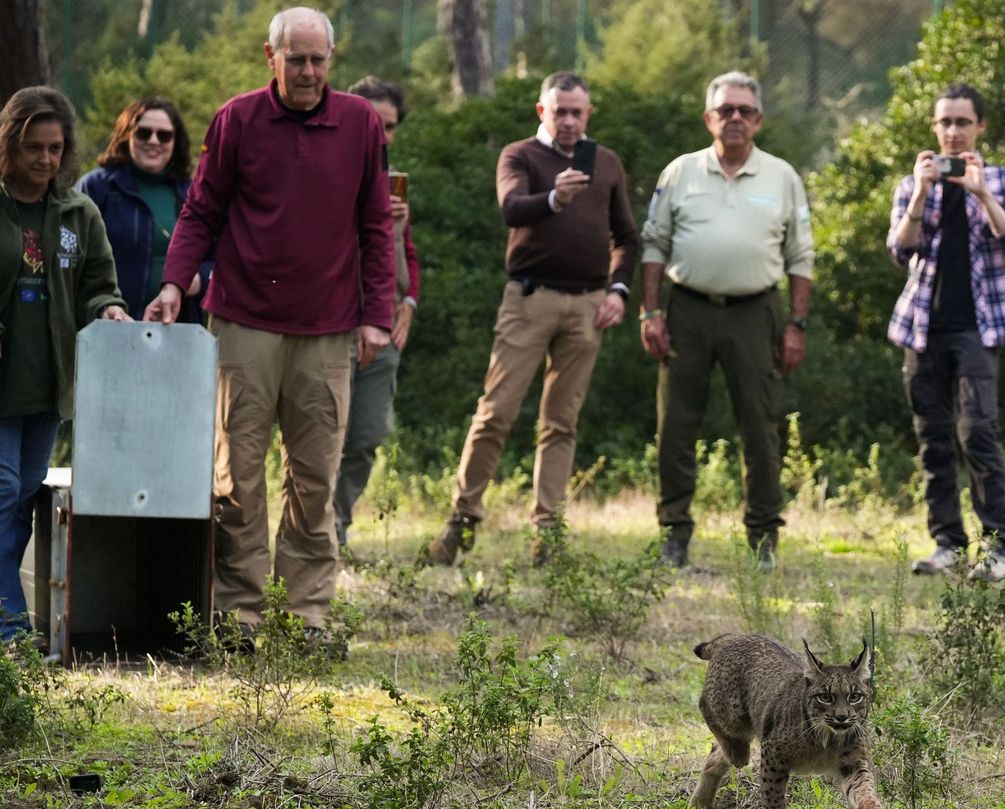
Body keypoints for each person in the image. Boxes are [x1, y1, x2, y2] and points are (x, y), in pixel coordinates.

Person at [145, 6, 394, 643]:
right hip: (244, 319)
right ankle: (238, 614)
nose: (308, 71)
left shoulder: (361, 124)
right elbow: (201, 210)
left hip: (329, 326)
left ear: (330, 61)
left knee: (315, 477)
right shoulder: (237, 119)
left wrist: (377, 317)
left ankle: (307, 614)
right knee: (238, 475)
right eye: (296, 59)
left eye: (318, 60)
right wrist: (175, 283)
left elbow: (376, 228)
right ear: (270, 57)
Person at [428, 71, 638, 566]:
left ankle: (547, 535)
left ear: (589, 114)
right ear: (541, 111)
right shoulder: (520, 155)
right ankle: (462, 521)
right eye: (558, 111)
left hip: (587, 305)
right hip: (529, 299)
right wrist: (554, 198)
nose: (567, 120)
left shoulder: (605, 162)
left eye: (576, 112)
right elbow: (511, 208)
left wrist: (619, 291)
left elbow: (626, 236)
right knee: (496, 412)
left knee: (561, 423)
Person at [638, 72, 813, 572]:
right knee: (676, 424)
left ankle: (763, 538)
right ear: (708, 118)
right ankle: (674, 533)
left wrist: (797, 324)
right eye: (725, 110)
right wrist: (650, 311)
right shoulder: (680, 172)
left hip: (756, 313)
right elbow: (654, 243)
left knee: (761, 425)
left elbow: (801, 255)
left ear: (758, 119)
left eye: (744, 110)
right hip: (687, 308)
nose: (734, 118)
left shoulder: (782, 177)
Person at [1, 87, 131, 641]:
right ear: (10, 145)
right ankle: (9, 627)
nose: (46, 160)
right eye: (34, 147)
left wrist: (111, 308)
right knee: (3, 490)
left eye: (55, 148)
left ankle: (7, 615)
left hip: (48, 382)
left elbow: (99, 284)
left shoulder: (80, 212)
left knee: (23, 498)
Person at [887, 82, 1005, 582]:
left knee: (979, 435)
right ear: (934, 128)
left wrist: (980, 192)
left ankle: (998, 550)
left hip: (978, 329)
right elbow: (899, 250)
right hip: (922, 329)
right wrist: (922, 193)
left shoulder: (1004, 180)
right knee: (934, 440)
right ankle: (948, 543)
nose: (952, 131)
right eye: (944, 122)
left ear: (980, 126)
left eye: (962, 122)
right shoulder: (914, 184)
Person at [335, 76, 420, 551]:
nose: (379, 134)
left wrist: (409, 303)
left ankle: (336, 527)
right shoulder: (326, 171)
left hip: (382, 327)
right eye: (371, 121)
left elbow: (410, 255)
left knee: (366, 436)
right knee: (321, 438)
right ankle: (308, 538)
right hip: (330, 324)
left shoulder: (393, 181)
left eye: (388, 126)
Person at [76, 97, 209, 323]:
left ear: (176, 142)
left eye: (164, 135)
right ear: (127, 135)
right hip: (110, 326)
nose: (153, 141)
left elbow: (220, 258)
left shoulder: (194, 194)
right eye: (143, 133)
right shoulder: (96, 188)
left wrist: (200, 279)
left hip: (177, 330)